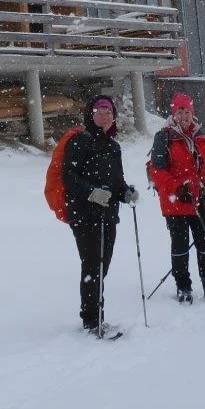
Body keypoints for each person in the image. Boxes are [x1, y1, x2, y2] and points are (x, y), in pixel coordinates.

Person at [61, 94, 138, 335]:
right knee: (93, 265)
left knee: (102, 266)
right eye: (98, 111)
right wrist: (92, 193)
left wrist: (126, 193)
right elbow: (69, 178)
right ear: (90, 115)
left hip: (107, 215)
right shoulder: (80, 141)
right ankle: (91, 320)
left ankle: (96, 317)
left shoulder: (114, 147)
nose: (103, 115)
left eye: (108, 111)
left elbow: (117, 181)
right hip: (84, 215)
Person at [148, 92, 205, 303]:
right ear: (173, 114)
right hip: (176, 204)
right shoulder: (163, 136)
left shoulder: (201, 135)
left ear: (192, 113)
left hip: (201, 201)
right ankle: (183, 288)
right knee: (180, 248)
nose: (183, 115)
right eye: (179, 111)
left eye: (186, 110)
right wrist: (177, 189)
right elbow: (157, 171)